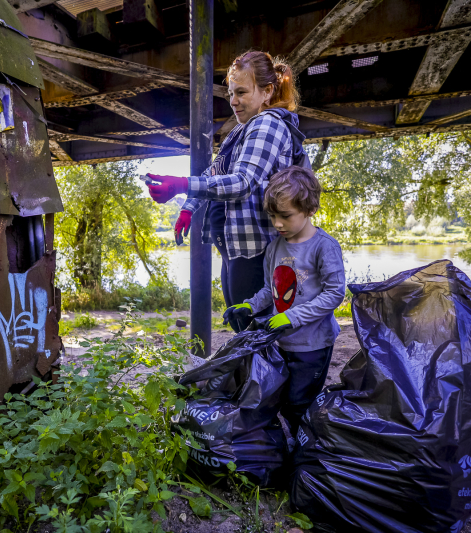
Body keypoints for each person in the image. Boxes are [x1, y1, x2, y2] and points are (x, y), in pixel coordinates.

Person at [146, 50, 311, 332]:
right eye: (231, 93)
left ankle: (262, 377)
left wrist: (181, 184)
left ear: (267, 91)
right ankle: (251, 376)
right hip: (236, 248)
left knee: (253, 332)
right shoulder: (240, 131)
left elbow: (243, 182)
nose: (233, 101)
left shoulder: (268, 123)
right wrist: (188, 208)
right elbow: (214, 174)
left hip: (257, 252)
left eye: (242, 92)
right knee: (242, 327)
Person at [223, 166, 345, 440]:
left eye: (285, 216)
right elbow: (270, 288)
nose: (277, 224)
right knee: (282, 399)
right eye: (273, 216)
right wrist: (249, 306)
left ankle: (309, 451)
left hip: (313, 344)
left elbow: (335, 294)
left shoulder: (324, 247)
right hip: (284, 342)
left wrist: (293, 317)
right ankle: (293, 443)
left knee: (299, 402)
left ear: (310, 209)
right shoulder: (275, 247)